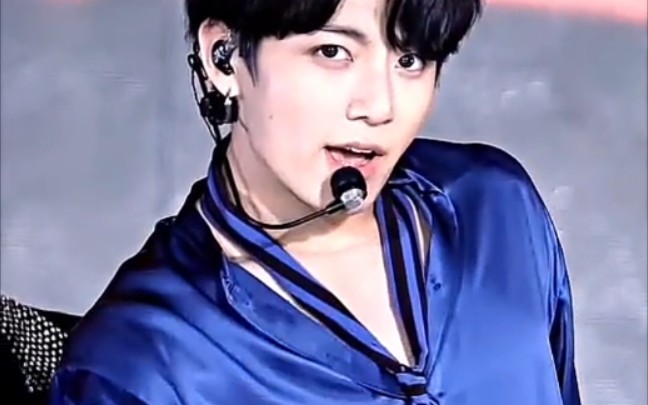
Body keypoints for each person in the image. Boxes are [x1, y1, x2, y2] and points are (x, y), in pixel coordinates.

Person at [48, 0, 581, 403]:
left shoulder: (496, 209)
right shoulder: (139, 363)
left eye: (411, 59)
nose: (380, 106)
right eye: (333, 52)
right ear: (224, 57)